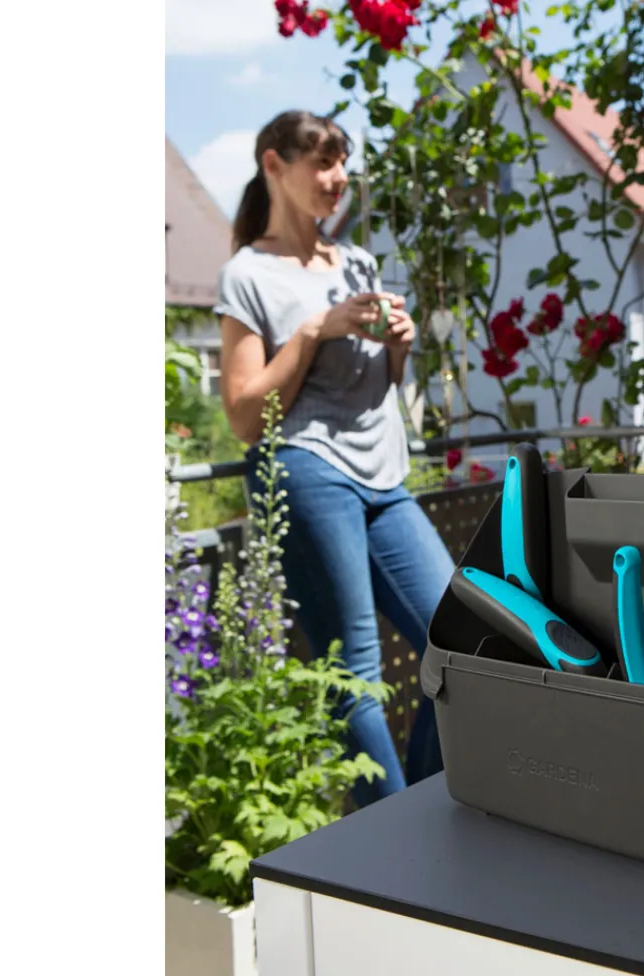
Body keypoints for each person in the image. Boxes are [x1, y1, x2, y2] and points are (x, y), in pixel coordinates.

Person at [214, 109, 453, 804]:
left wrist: (399, 346)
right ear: (274, 166)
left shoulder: (357, 263)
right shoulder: (248, 275)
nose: (338, 176)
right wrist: (314, 329)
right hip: (308, 469)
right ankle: (393, 843)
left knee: (463, 644)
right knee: (355, 674)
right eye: (322, 161)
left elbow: (378, 386)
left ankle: (427, 809)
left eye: (342, 161)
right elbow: (244, 417)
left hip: (385, 473)